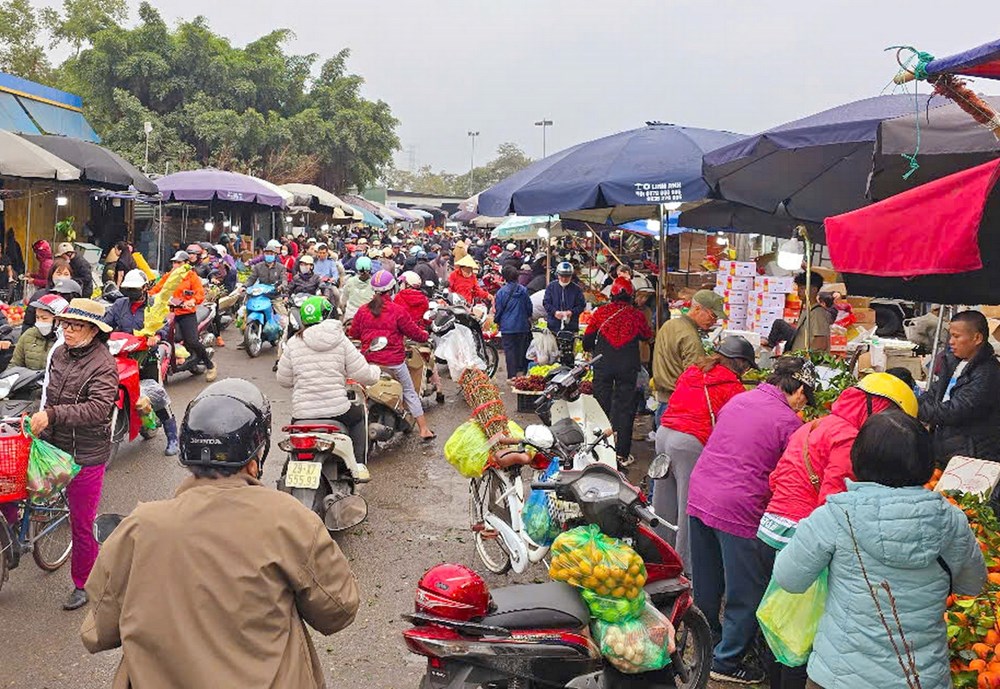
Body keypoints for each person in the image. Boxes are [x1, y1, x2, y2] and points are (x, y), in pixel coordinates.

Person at [80, 379, 360, 687]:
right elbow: (338, 609)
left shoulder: (139, 527)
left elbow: (97, 633)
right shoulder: (290, 518)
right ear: (255, 459)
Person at [773, 410, 986, 689]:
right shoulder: (951, 521)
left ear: (858, 458)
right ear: (926, 462)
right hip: (921, 678)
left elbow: (789, 578)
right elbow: (972, 585)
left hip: (840, 677)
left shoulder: (836, 516)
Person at [758, 373, 919, 689]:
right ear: (877, 408)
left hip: (771, 528)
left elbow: (776, 478)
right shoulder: (849, 438)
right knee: (801, 636)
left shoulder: (815, 425)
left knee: (781, 623)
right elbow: (833, 504)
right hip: (800, 537)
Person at [687, 357, 816, 684]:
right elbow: (790, 475)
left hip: (701, 493)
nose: (803, 407)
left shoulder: (739, 400)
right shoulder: (789, 423)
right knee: (745, 590)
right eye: (805, 400)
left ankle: (707, 644)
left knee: (707, 581)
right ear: (799, 391)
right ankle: (727, 661)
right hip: (740, 507)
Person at [30, 298, 118, 610]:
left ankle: (84, 583)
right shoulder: (60, 353)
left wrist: (53, 415)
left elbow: (98, 409)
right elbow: (49, 394)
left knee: (82, 524)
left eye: (76, 326)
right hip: (54, 444)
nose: (67, 330)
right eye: (65, 324)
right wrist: (41, 420)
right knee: (18, 490)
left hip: (86, 453)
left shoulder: (104, 364)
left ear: (93, 330)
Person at [651, 336, 757, 570]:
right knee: (688, 506)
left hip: (664, 433)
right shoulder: (732, 387)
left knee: (663, 503)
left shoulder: (693, 371)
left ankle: (657, 558)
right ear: (740, 363)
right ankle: (685, 567)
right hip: (688, 442)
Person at [277, 296, 381, 478]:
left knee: (294, 445)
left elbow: (283, 380)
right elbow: (364, 375)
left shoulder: (293, 343)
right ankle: (358, 465)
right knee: (359, 416)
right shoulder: (341, 340)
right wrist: (376, 371)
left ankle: (288, 473)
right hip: (337, 412)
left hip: (302, 415)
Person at [349, 270, 436, 440]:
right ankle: (424, 429)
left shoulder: (363, 311)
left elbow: (354, 333)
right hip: (394, 362)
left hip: (370, 361)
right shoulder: (397, 310)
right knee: (409, 392)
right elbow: (414, 332)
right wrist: (425, 336)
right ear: (392, 289)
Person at [104, 269, 181, 455]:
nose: (131, 293)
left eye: (134, 289)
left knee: (156, 396)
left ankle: (173, 437)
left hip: (147, 358)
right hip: (123, 357)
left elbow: (163, 325)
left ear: (145, 288)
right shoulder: (119, 305)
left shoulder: (154, 304)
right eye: (128, 289)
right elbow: (106, 324)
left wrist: (157, 336)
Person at [582, 277, 653, 466]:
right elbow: (647, 335)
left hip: (603, 365)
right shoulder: (636, 315)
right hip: (627, 367)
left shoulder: (601, 312)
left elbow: (587, 340)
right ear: (631, 296)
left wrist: (593, 348)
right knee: (625, 409)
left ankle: (598, 450)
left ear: (611, 295)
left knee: (600, 407)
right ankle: (622, 453)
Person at [919, 309, 1000, 463]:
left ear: (977, 338)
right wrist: (914, 401)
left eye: (956, 336)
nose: (951, 341)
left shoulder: (988, 373)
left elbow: (955, 410)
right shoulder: (954, 362)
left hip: (971, 456)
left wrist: (916, 409)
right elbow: (934, 392)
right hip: (947, 449)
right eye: (951, 336)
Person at [652, 289, 725, 415]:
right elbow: (695, 376)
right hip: (678, 403)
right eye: (713, 315)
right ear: (697, 309)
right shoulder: (690, 336)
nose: (714, 321)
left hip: (663, 399)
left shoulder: (669, 324)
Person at [150, 251, 217, 383]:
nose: (175, 265)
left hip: (186, 314)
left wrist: (192, 301)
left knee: (191, 341)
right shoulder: (168, 276)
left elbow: (199, 294)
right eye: (174, 262)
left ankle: (210, 365)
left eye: (178, 262)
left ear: (186, 263)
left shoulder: (192, 277)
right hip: (168, 314)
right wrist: (147, 296)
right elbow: (156, 290)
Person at [494, 264, 534, 381]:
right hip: (522, 326)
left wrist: (497, 320)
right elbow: (529, 308)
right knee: (522, 349)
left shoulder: (501, 292)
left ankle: (512, 376)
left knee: (510, 351)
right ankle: (522, 373)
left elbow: (499, 309)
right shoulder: (523, 290)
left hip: (507, 327)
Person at [11, 293, 68, 370]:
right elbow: (15, 364)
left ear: (59, 321)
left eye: (44, 318)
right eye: (37, 317)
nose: (40, 322)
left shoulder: (67, 341)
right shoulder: (28, 335)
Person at [786, 271, 831, 353]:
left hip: (807, 360)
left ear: (814, 290)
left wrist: (804, 356)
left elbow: (821, 343)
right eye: (798, 288)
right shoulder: (806, 310)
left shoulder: (818, 313)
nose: (799, 291)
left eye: (802, 288)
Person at [22, 257, 74, 328]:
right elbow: (28, 322)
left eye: (66, 274)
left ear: (71, 277)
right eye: (59, 274)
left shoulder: (74, 297)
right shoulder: (39, 296)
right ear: (51, 275)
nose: (62, 277)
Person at [543, 261, 586, 334]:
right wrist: (555, 312)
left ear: (571, 276)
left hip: (571, 326)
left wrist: (571, 312)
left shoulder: (576, 289)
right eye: (562, 276)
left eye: (567, 276)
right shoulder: (551, 287)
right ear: (558, 275)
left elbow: (581, 305)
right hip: (553, 325)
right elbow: (546, 303)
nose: (564, 279)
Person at [341, 256, 374, 322]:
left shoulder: (350, 281)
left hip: (351, 314)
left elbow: (344, 299)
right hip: (367, 314)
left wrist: (343, 308)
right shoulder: (374, 283)